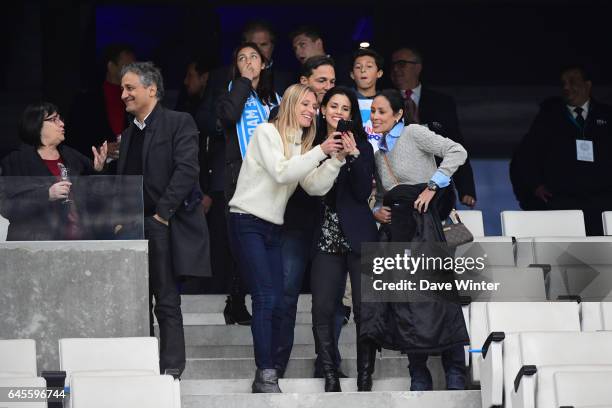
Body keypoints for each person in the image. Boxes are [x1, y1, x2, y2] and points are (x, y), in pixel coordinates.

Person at [228, 83, 346, 393]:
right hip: (246, 220)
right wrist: (322, 150)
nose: (311, 110)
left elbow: (314, 186)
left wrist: (335, 160)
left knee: (279, 302)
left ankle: (270, 370)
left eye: (314, 105)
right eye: (305, 104)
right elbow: (282, 172)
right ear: (290, 105)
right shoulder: (267, 132)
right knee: (267, 298)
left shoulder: (302, 144)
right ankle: (265, 374)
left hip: (271, 228)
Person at [365, 89, 470, 391]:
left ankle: (455, 374)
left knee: (439, 299)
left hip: (424, 226)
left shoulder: (414, 133)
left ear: (398, 114)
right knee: (404, 302)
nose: (375, 116)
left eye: (381, 111)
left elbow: (457, 151)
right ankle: (418, 375)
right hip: (395, 231)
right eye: (372, 111)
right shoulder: (378, 151)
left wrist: (433, 186)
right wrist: (375, 210)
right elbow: (381, 194)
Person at [116, 62, 211, 376]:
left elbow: (187, 170)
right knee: (135, 300)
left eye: (130, 88)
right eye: (122, 89)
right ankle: (142, 366)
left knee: (166, 301)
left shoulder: (178, 121)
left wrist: (161, 214)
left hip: (160, 223)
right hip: (133, 227)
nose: (123, 94)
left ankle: (170, 370)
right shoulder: (129, 134)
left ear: (151, 89)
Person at [309, 87, 378, 392]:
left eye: (346, 108)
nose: (339, 112)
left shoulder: (364, 148)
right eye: (334, 106)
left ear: (352, 115)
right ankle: (330, 374)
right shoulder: (311, 144)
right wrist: (329, 153)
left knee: (366, 309)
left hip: (358, 237)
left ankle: (365, 375)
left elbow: (363, 193)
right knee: (323, 307)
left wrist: (353, 157)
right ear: (323, 110)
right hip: (324, 237)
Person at [216, 42, 279, 324]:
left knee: (265, 241)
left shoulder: (273, 100)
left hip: (272, 178)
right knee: (242, 242)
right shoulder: (230, 94)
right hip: (240, 178)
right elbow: (230, 116)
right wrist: (242, 81)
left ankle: (247, 298)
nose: (249, 62)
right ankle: (237, 300)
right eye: (242, 58)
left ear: (264, 64)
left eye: (254, 57)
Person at [510, 64, 612, 236]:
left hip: (604, 203)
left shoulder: (607, 115)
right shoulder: (549, 117)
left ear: (588, 85)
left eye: (572, 82)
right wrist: (535, 185)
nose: (566, 87)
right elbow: (525, 156)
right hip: (562, 202)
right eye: (563, 83)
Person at [0, 102, 107, 240]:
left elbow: (96, 196)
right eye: (53, 119)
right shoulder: (15, 161)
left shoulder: (71, 155)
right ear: (36, 124)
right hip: (36, 246)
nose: (62, 124)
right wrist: (46, 195)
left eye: (60, 118)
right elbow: (7, 208)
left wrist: (98, 170)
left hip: (79, 243)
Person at [390, 46, 476, 208]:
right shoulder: (384, 102)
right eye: (393, 65)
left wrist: (466, 189)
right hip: (400, 188)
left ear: (418, 66)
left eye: (401, 64)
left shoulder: (442, 103)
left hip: (438, 191)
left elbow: (455, 144)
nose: (395, 69)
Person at [67, 43, 135, 166]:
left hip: (130, 170)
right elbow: (74, 139)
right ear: (111, 67)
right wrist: (98, 150)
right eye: (127, 66)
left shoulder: (136, 98)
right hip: (98, 172)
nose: (133, 72)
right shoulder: (87, 100)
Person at [350, 48, 385, 151]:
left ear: (379, 73)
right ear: (352, 75)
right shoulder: (346, 100)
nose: (363, 70)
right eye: (358, 67)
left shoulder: (388, 101)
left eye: (369, 66)